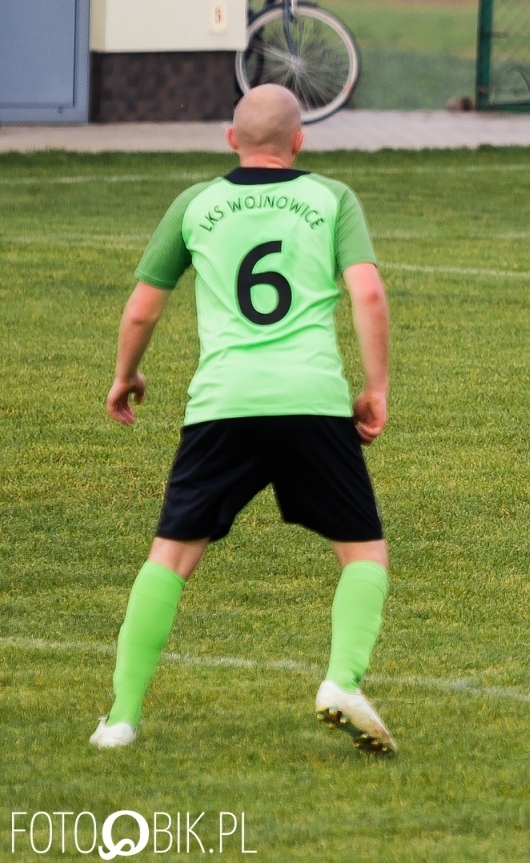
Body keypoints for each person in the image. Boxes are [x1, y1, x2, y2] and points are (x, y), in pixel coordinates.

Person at [91, 84, 398, 756]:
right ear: (299, 142)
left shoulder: (196, 203)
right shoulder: (332, 198)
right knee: (363, 553)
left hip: (223, 403)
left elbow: (142, 308)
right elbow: (369, 293)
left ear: (231, 139)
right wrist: (375, 386)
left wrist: (126, 374)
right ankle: (342, 681)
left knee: (171, 557)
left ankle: (120, 718)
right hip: (312, 400)